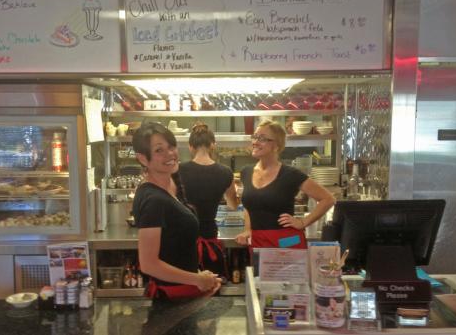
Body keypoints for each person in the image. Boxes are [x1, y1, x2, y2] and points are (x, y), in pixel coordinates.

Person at [132, 122, 221, 300]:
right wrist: (197, 279)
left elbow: (176, 248)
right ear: (143, 158)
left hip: (186, 290)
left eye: (171, 147)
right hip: (171, 296)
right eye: (159, 150)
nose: (170, 154)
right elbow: (148, 264)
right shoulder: (153, 200)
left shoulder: (172, 182)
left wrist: (200, 277)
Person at [235, 119, 336, 249]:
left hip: (287, 241)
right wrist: (248, 230)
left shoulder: (290, 174)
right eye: (255, 137)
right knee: (260, 269)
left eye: (262, 138)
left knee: (287, 268)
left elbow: (328, 199)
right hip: (259, 241)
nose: (255, 142)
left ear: (276, 146)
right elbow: (249, 207)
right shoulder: (246, 172)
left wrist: (303, 222)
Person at [178, 123, 239, 281]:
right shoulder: (225, 172)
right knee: (211, 289)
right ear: (213, 145)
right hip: (209, 237)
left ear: (191, 147)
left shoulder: (178, 170)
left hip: (183, 239)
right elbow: (233, 205)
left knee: (187, 290)